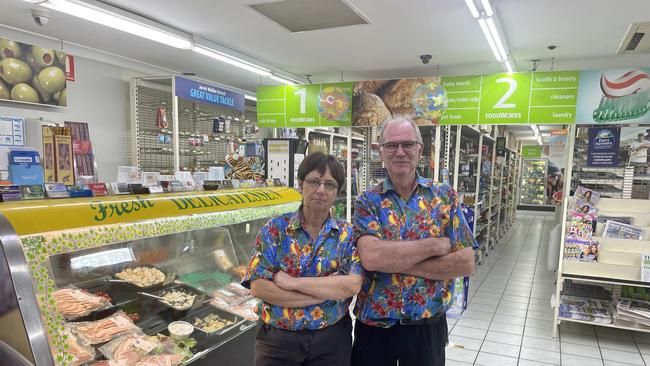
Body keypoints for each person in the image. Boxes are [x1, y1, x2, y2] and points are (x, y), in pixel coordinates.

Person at [352, 117, 476, 366]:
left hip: (426, 326)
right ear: (381, 152)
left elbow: (465, 263)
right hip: (375, 326)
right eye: (391, 145)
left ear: (420, 149)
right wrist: (433, 247)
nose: (400, 152)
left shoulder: (444, 196)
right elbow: (372, 258)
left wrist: (391, 260)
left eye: (407, 144)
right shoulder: (367, 202)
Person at [242, 152, 363, 366]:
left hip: (331, 343)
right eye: (314, 181)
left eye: (330, 185)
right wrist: (324, 294)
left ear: (337, 192)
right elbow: (259, 288)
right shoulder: (275, 230)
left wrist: (293, 283)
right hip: (277, 343)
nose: (321, 190)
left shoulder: (347, 235)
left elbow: (352, 285)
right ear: (301, 184)